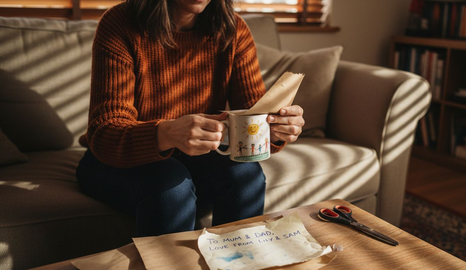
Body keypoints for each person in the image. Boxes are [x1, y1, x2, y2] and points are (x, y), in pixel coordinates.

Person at [76, 0, 305, 237]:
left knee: (246, 175)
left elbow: (254, 115)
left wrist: (276, 128)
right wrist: (167, 132)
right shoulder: (122, 23)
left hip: (193, 156)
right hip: (114, 158)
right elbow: (105, 132)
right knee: (171, 184)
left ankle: (238, 265)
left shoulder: (232, 30)